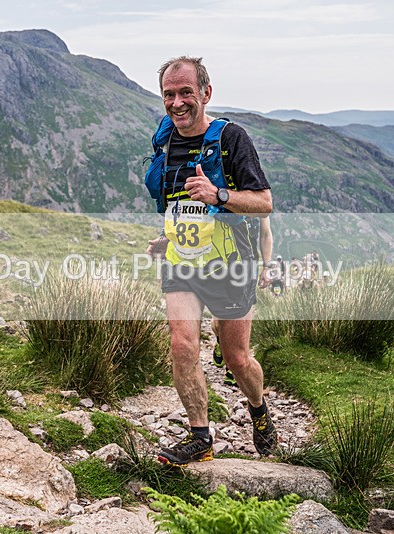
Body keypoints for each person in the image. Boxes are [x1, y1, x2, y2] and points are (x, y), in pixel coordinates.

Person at [145, 56, 278, 466]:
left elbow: (263, 203)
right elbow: (178, 207)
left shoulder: (231, 139)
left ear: (205, 93)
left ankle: (258, 408)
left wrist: (218, 195)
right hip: (182, 262)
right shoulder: (166, 143)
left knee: (237, 359)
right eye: (169, 94)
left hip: (231, 265)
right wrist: (168, 238)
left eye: (186, 92)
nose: (177, 102)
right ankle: (200, 437)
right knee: (182, 343)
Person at [212, 215, 273, 387]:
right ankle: (221, 340)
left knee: (241, 320)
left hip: (247, 267)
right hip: (219, 263)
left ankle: (232, 368)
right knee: (218, 321)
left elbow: (265, 234)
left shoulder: (258, 201)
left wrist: (267, 267)